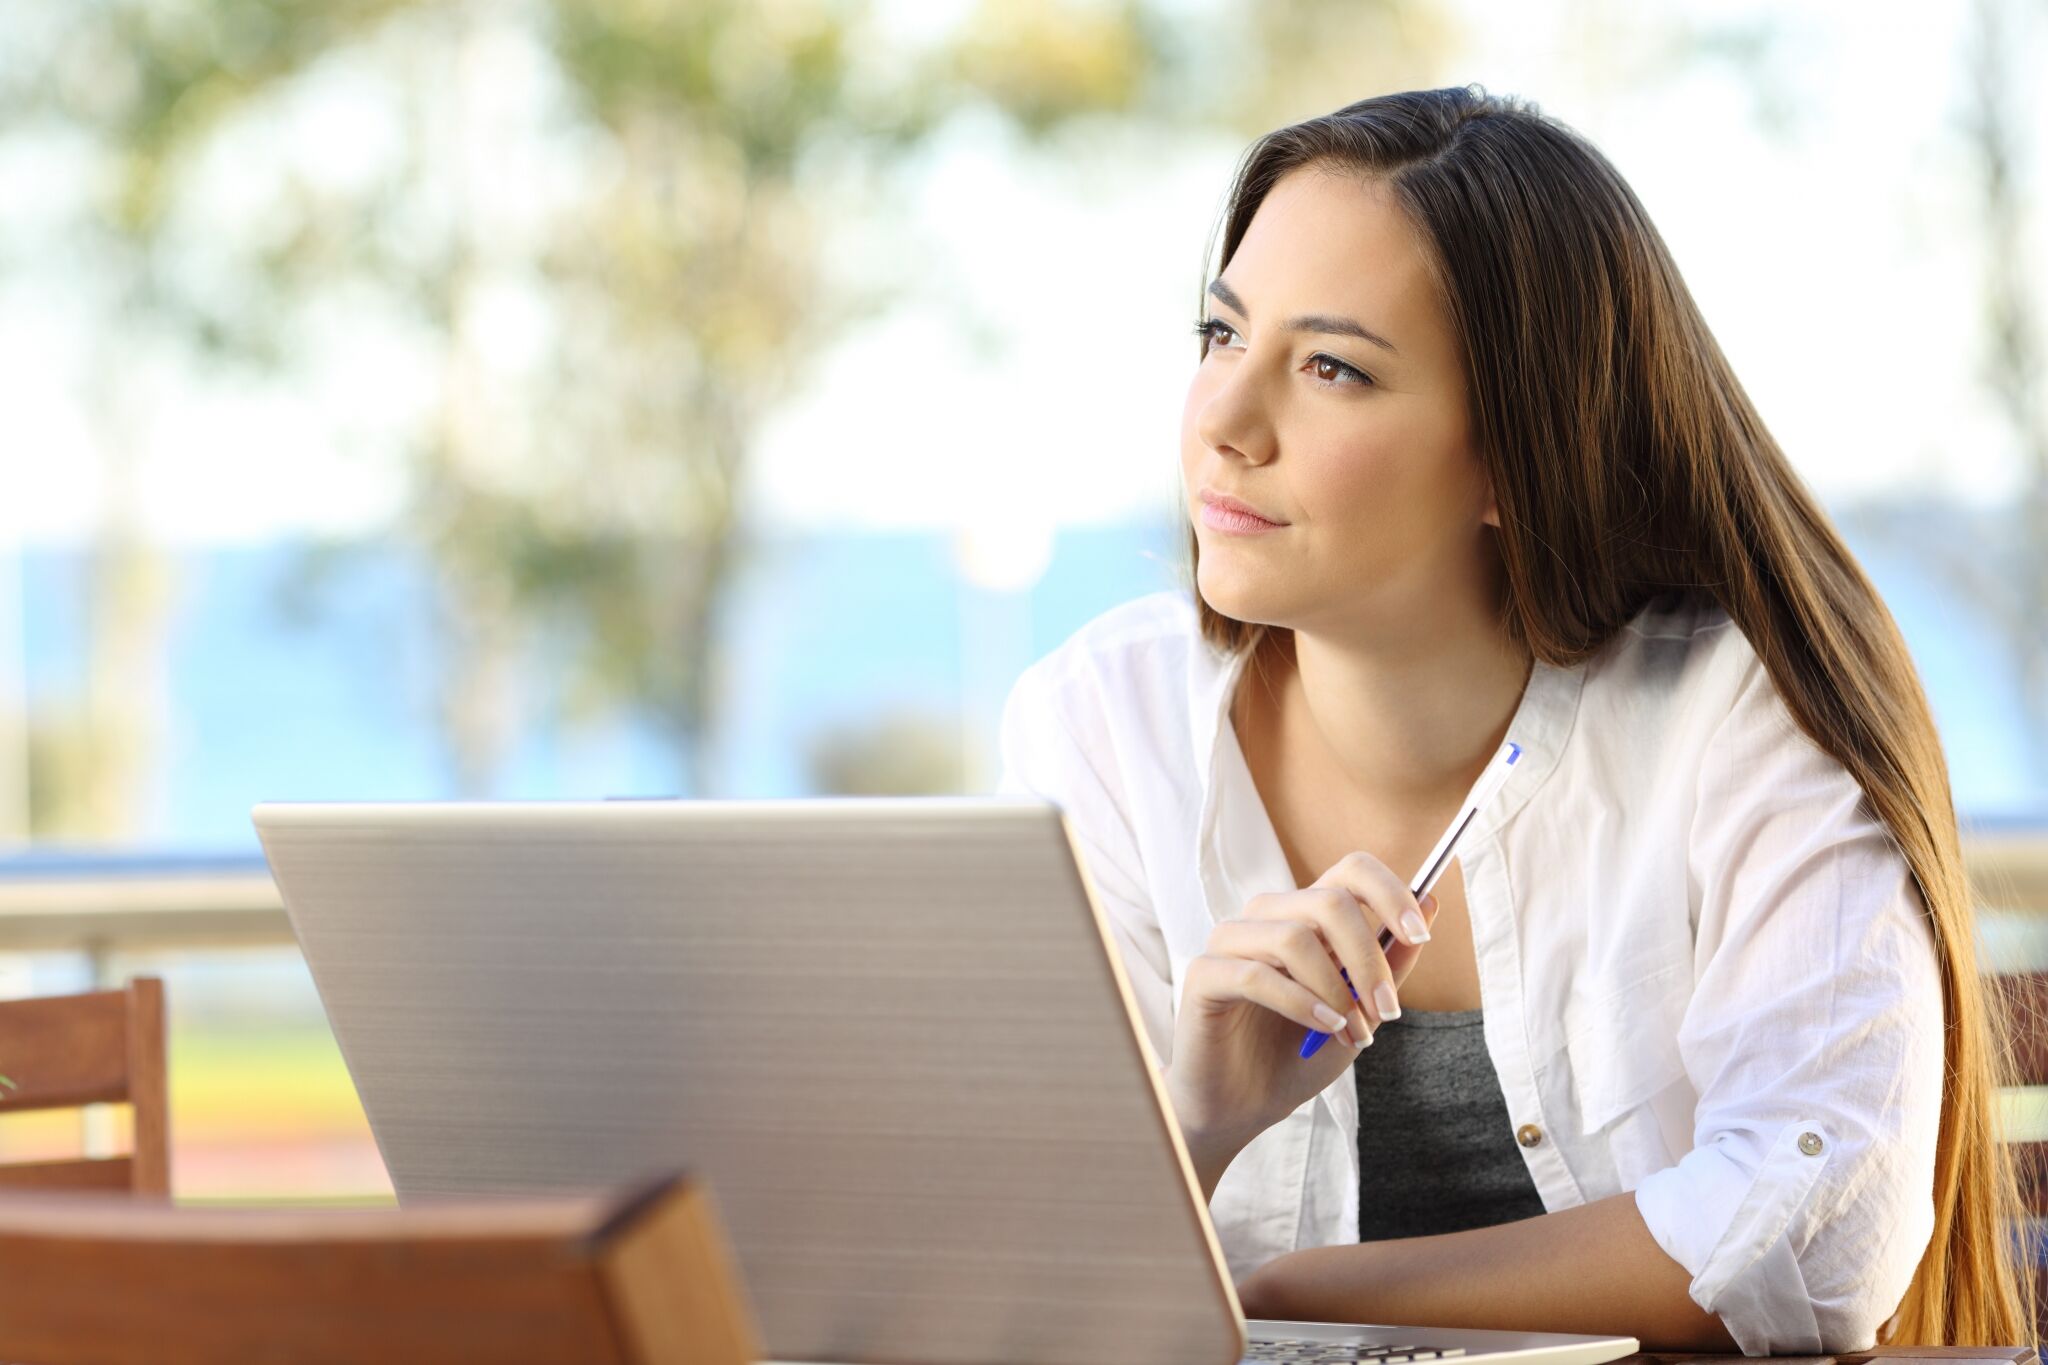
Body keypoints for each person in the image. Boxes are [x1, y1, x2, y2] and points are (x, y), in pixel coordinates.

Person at [993, 86, 2031, 1354]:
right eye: (1220, 335)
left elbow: (1818, 1231)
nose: (1221, 420)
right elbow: (1012, 1293)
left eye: (1330, 368)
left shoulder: (1735, 714)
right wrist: (1194, 1123)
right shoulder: (1101, 726)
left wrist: (1278, 1289)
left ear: (1512, 454)